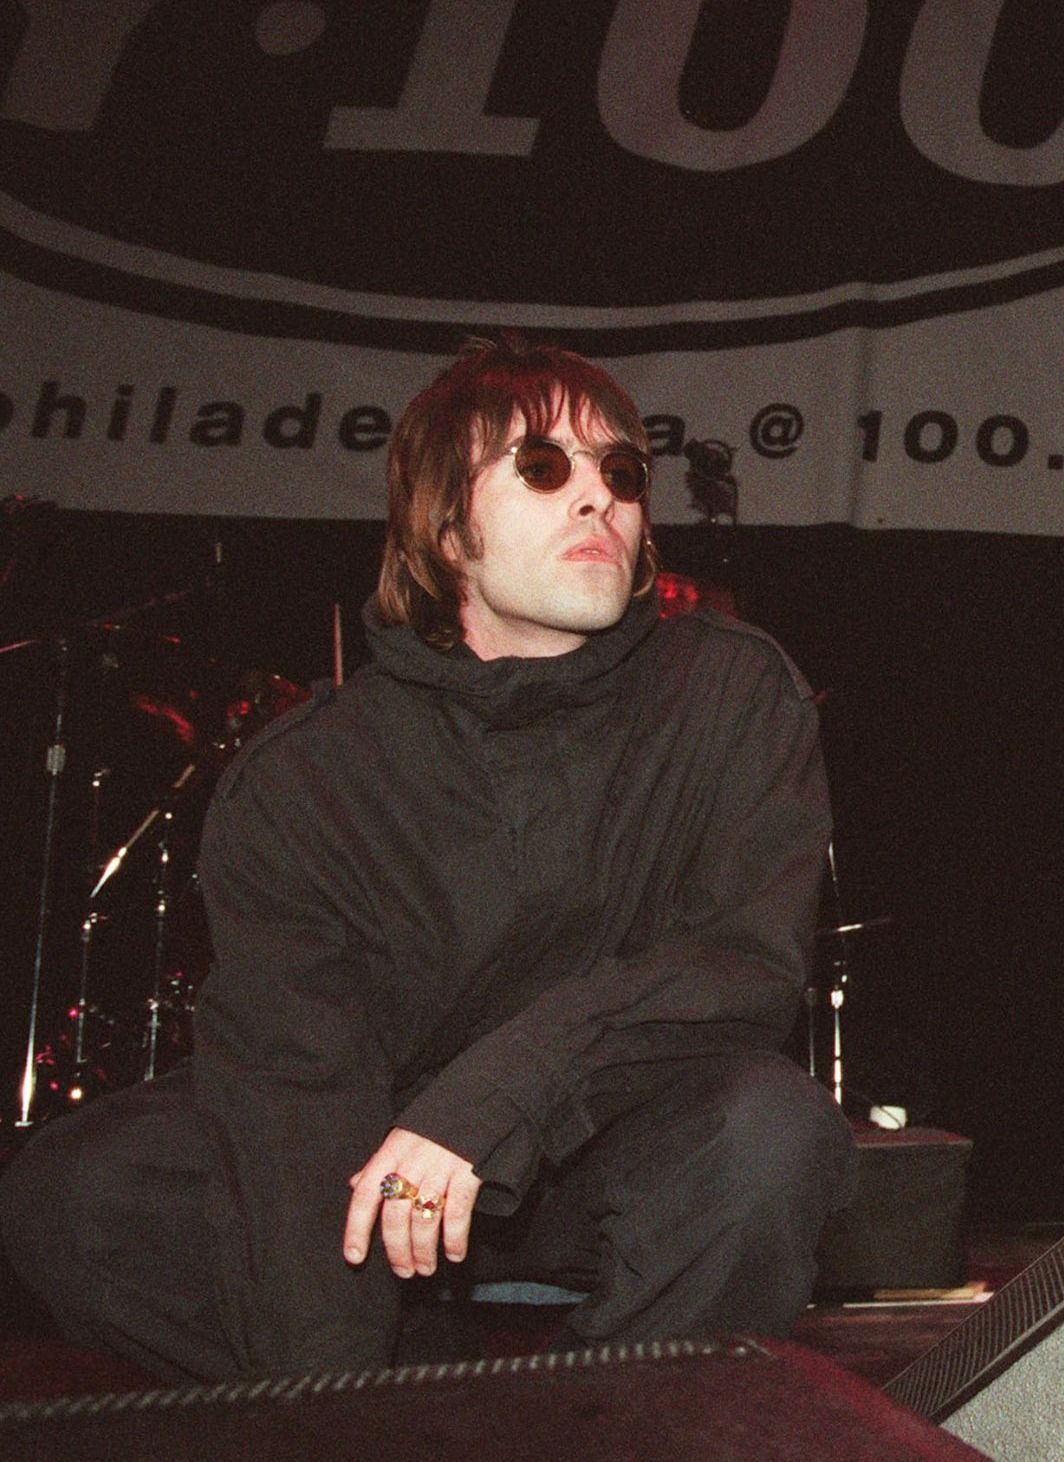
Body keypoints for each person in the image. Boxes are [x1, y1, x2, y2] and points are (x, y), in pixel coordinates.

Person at [0, 336, 856, 1380]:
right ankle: (412, 1397)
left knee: (771, 1133)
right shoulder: (305, 777)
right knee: (79, 1195)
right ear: (448, 528)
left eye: (619, 473)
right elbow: (295, 1107)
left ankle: (594, 1424)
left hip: (605, 1146)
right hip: (367, 1171)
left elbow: (741, 967)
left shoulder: (728, 693)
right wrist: (338, 1392)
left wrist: (491, 1103)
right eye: (543, 466)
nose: (597, 498)